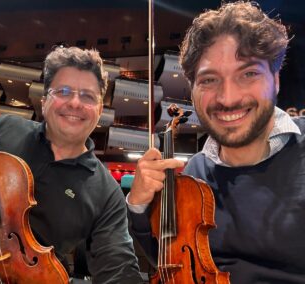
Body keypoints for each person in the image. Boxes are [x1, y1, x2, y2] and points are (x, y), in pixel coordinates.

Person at [0, 46, 143, 283]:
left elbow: (119, 268)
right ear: (44, 100)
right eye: (63, 91)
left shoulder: (106, 192)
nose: (75, 103)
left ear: (100, 109)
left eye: (88, 96)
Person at [127, 1, 305, 283]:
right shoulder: (196, 172)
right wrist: (137, 205)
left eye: (248, 74)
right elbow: (172, 265)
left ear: (276, 79)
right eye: (209, 80)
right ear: (193, 89)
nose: (228, 98)